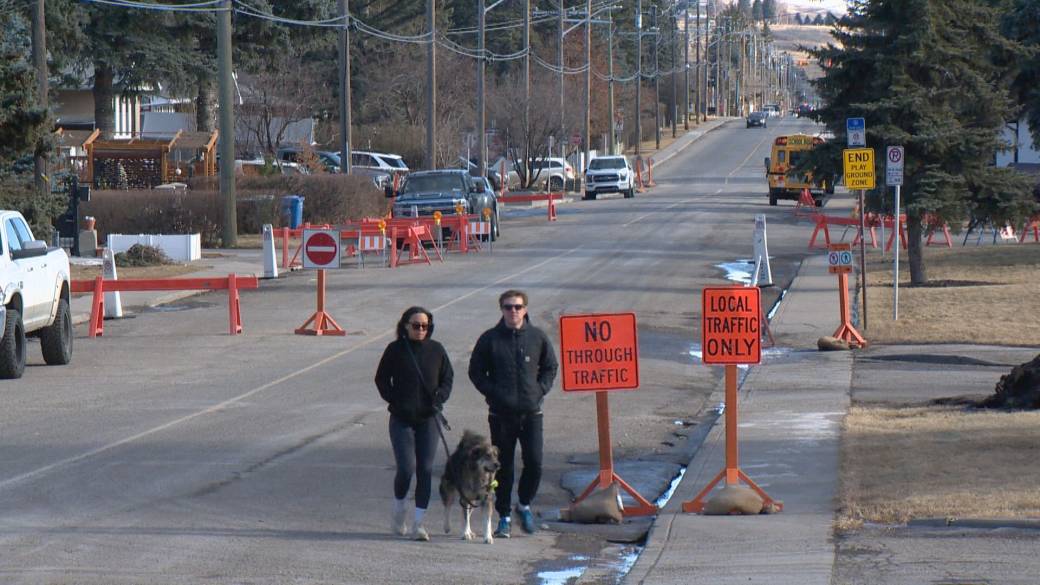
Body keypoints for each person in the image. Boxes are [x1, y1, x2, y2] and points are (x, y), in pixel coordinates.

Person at [468, 290, 558, 538]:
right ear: (502, 310)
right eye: (508, 307)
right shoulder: (490, 339)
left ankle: (524, 504)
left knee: (535, 463)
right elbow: (476, 371)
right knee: (503, 467)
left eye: (518, 307)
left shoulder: (537, 337)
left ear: (525, 309)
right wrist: (493, 393)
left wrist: (539, 390)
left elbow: (550, 366)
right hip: (501, 415)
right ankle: (504, 517)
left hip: (531, 413)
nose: (513, 311)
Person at [375, 306, 453, 541]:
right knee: (407, 468)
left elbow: (447, 378)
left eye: (425, 326)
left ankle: (419, 523)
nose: (421, 330)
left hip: (428, 419)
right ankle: (399, 509)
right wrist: (394, 399)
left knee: (426, 469)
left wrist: (439, 398)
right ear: (405, 326)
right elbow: (381, 378)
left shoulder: (436, 350)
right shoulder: (395, 350)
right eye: (416, 325)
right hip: (401, 419)